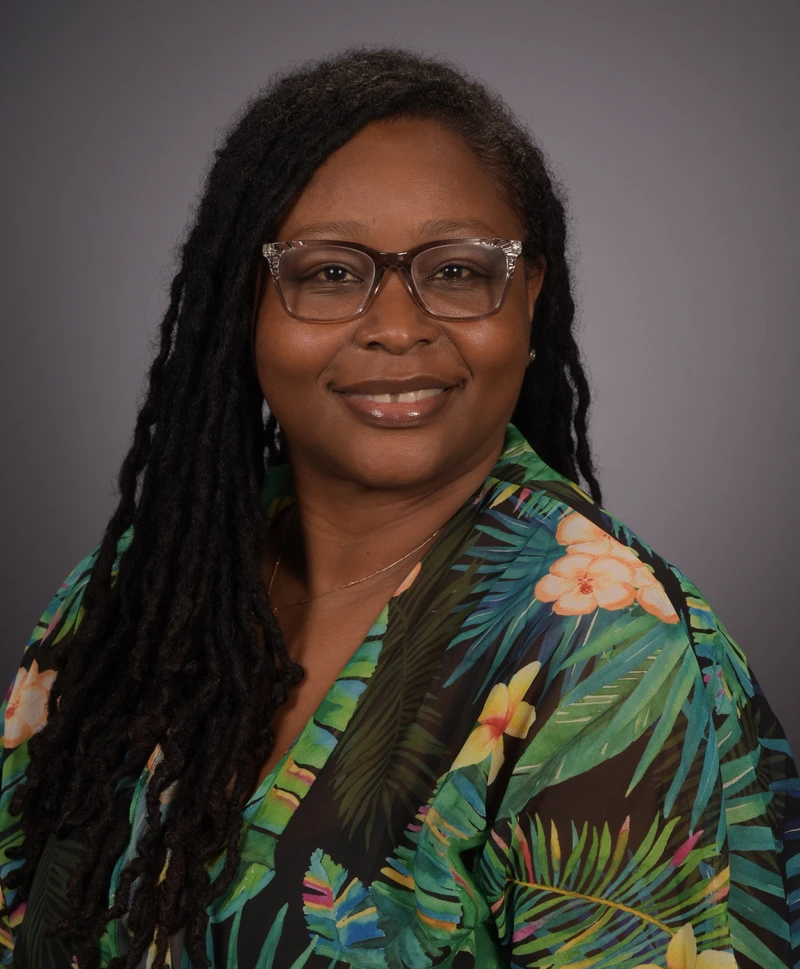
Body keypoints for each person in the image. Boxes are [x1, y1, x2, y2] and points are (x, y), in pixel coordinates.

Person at [0, 45, 797, 969]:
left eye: (457, 271)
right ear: (243, 304)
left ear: (527, 294)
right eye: (331, 272)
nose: (397, 324)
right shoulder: (131, 593)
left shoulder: (610, 653)